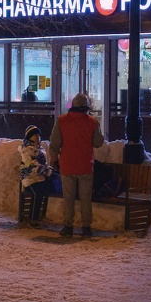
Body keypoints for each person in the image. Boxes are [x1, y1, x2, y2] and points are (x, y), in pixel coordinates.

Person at [49, 92, 103, 238]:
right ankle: (86, 227)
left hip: (67, 165)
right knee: (86, 198)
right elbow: (98, 143)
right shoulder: (92, 122)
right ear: (86, 106)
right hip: (85, 165)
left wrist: (53, 157)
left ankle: (68, 227)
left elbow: (55, 142)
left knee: (68, 197)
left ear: (72, 105)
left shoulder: (61, 120)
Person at [17, 125, 53, 227]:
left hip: (40, 177)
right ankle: (33, 219)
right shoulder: (26, 150)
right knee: (38, 193)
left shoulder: (40, 148)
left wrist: (48, 170)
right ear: (30, 137)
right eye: (35, 135)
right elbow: (31, 166)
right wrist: (47, 171)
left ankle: (36, 217)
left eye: (38, 134)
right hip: (30, 178)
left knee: (46, 189)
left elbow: (44, 164)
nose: (37, 136)